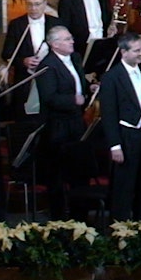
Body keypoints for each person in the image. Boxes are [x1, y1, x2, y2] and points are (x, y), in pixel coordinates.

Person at [98, 32, 141, 221]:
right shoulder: (111, 77)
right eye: (136, 51)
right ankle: (121, 226)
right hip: (126, 135)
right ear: (123, 52)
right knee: (124, 184)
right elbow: (108, 114)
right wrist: (114, 145)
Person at [35, 25, 91, 221]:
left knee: (79, 170)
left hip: (77, 122)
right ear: (54, 44)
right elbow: (49, 97)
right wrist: (73, 100)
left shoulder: (75, 59)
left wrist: (88, 89)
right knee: (58, 175)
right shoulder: (47, 66)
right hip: (57, 127)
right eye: (67, 39)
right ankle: (59, 217)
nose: (72, 41)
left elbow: (78, 84)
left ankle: (80, 215)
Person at [57, 0, 120, 74]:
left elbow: (107, 19)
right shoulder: (68, 0)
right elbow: (65, 27)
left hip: (102, 44)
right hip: (81, 47)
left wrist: (111, 27)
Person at [1, 0, 52, 120]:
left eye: (37, 4)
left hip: (51, 79)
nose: (33, 8)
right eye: (29, 4)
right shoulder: (17, 24)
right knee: (25, 119)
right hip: (25, 80)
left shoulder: (56, 23)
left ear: (45, 4)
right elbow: (6, 53)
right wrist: (23, 61)